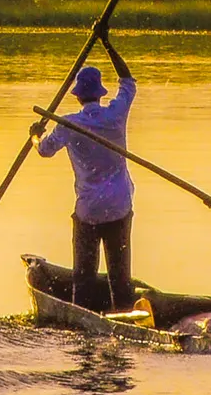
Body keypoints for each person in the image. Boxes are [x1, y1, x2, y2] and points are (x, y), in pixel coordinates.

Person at [36, 26, 137, 309]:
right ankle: (124, 311)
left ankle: (82, 314)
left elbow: (44, 149)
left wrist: (34, 134)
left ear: (78, 96)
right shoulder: (115, 115)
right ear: (100, 94)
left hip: (89, 210)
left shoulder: (69, 124)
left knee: (83, 277)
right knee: (120, 278)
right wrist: (107, 44)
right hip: (119, 206)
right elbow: (128, 81)